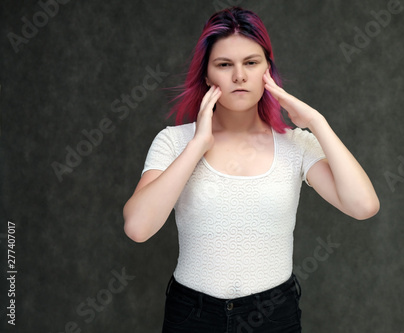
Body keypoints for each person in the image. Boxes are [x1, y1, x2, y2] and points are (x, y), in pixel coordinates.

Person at [123, 6, 379, 333]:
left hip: (274, 315)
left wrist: (317, 122)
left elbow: (363, 206)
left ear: (267, 71)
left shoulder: (296, 144)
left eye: (251, 63)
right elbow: (138, 227)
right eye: (224, 64)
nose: (239, 76)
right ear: (206, 75)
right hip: (192, 316)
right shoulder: (174, 142)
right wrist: (198, 145)